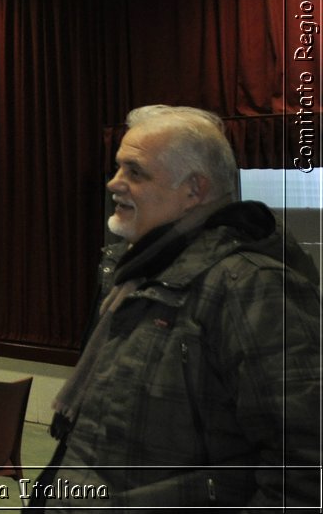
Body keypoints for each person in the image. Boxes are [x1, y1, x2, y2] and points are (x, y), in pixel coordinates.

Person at [37, 105, 321, 509]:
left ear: (194, 190)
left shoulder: (252, 286)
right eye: (117, 168)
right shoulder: (140, 274)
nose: (113, 184)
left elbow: (308, 467)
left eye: (135, 172)